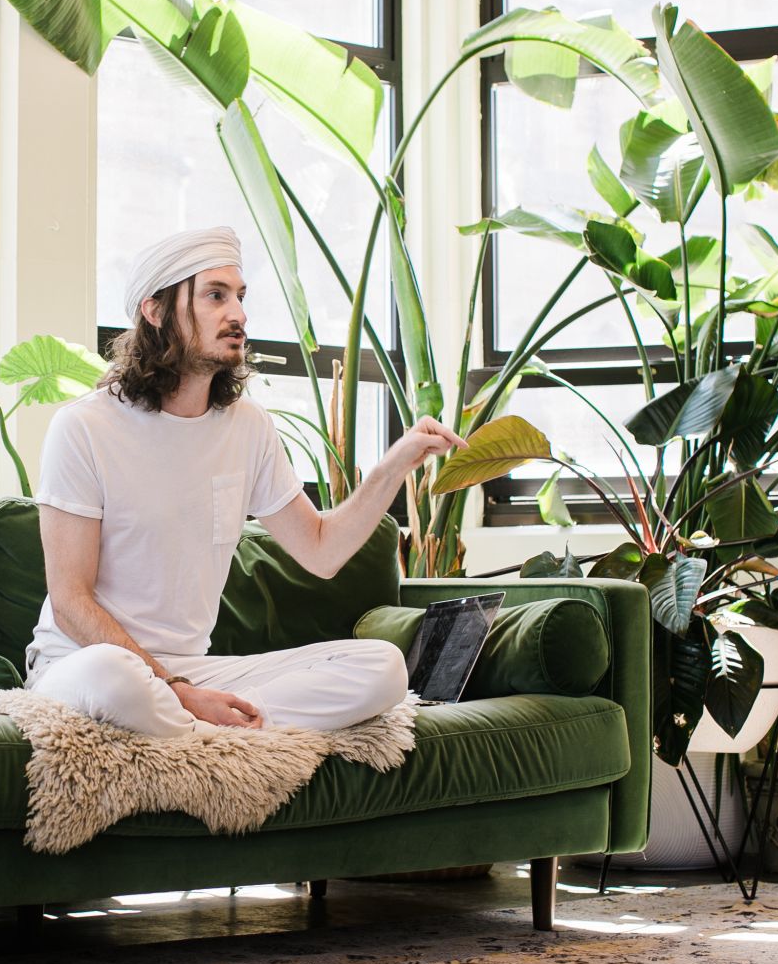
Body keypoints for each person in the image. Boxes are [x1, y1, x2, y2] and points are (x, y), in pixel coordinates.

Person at [24, 226, 467, 737]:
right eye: (215, 295)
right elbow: (71, 602)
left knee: (383, 667)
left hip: (193, 671)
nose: (238, 314)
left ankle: (206, 729)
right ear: (156, 310)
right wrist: (174, 688)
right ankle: (211, 727)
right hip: (84, 662)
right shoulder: (84, 427)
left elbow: (321, 551)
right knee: (114, 679)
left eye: (239, 296)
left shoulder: (248, 426)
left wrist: (394, 466)